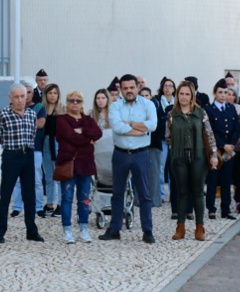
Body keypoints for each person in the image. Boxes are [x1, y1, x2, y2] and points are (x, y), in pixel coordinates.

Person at [100, 74, 157, 243]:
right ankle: (115, 229)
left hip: (141, 154)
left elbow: (153, 125)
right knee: (117, 193)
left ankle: (147, 231)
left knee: (144, 194)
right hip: (120, 154)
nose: (129, 91)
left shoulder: (148, 104)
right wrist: (141, 128)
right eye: (125, 88)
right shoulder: (115, 106)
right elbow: (117, 127)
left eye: (132, 87)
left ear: (137, 87)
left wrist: (130, 124)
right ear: (121, 89)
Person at [0, 83, 44, 244]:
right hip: (11, 157)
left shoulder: (31, 114)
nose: (21, 99)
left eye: (23, 96)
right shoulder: (3, 115)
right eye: (17, 96)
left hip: (28, 156)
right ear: (10, 98)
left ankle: (31, 231)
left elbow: (33, 134)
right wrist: (11, 145)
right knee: (5, 195)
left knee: (30, 196)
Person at [167, 81, 218, 240]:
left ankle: (199, 227)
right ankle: (180, 227)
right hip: (179, 157)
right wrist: (175, 148)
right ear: (177, 95)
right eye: (181, 94)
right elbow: (167, 137)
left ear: (192, 96)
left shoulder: (201, 113)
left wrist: (214, 155)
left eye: (187, 94)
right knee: (182, 193)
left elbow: (209, 134)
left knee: (197, 192)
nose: (183, 97)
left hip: (199, 157)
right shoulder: (171, 115)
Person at [55, 90, 102, 244]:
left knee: (84, 198)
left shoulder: (88, 120)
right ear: (67, 102)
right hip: (69, 163)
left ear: (82, 103)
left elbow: (98, 133)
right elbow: (70, 136)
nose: (75, 103)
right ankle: (67, 230)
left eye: (78, 100)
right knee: (67, 198)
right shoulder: (61, 119)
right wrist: (87, 139)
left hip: (86, 164)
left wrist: (82, 132)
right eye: (71, 100)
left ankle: (83, 229)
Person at [10, 79, 46, 219]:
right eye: (23, 92)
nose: (26, 95)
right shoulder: (11, 108)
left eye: (28, 92)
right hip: (16, 149)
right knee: (17, 180)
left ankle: (38, 207)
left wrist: (20, 124)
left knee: (37, 179)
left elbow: (41, 124)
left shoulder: (39, 107)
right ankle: (17, 208)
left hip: (35, 148)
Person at [205, 79, 240, 220]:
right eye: (220, 92)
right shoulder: (209, 110)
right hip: (215, 150)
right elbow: (209, 131)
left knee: (226, 181)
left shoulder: (231, 109)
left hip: (229, 151)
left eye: (226, 92)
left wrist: (231, 146)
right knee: (213, 181)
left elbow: (236, 129)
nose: (223, 95)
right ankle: (211, 209)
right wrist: (222, 146)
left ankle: (226, 209)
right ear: (214, 93)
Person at [41, 83, 65, 217]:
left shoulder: (62, 109)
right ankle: (50, 203)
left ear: (58, 95)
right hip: (45, 143)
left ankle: (61, 204)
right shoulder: (42, 109)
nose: (52, 95)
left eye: (55, 93)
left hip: (58, 143)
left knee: (60, 175)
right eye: (50, 93)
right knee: (49, 175)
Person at [141, 86, 166, 208]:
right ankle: (140, 200)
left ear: (150, 96)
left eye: (147, 95)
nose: (145, 98)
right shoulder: (135, 110)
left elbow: (159, 128)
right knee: (141, 173)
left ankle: (155, 200)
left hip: (153, 145)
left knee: (155, 173)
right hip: (139, 145)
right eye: (142, 95)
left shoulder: (156, 110)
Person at [156, 78, 176, 202]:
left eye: (170, 85)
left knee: (173, 168)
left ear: (174, 89)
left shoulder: (177, 102)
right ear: (162, 88)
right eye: (165, 85)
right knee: (160, 167)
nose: (168, 88)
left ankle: (174, 194)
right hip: (162, 138)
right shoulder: (157, 101)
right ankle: (161, 194)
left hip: (174, 140)